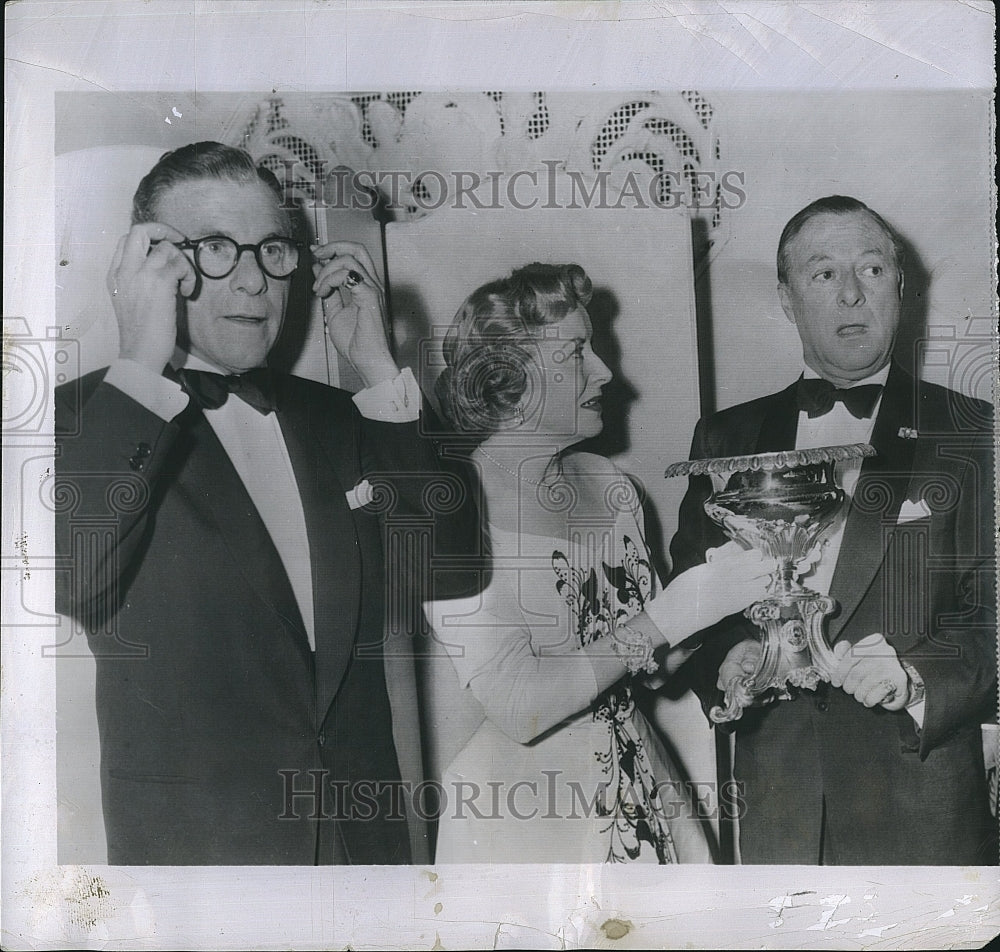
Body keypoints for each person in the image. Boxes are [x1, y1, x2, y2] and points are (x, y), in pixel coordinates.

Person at [54, 141, 478, 865]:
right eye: (217, 249)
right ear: (148, 267)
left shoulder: (344, 415)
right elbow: (69, 578)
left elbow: (448, 568)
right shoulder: (89, 417)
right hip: (204, 865)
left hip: (363, 847)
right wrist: (140, 363)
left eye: (273, 250)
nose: (255, 282)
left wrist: (376, 371)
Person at [669, 195, 996, 864]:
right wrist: (726, 658)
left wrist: (914, 676)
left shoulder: (971, 431)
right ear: (786, 298)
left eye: (872, 270)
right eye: (823, 274)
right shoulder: (724, 437)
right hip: (776, 819)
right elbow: (689, 595)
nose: (851, 294)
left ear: (902, 287)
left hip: (924, 820)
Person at [424, 263, 776, 863]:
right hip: (524, 817)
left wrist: (709, 628)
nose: (605, 371)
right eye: (576, 352)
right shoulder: (450, 508)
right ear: (506, 374)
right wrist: (672, 615)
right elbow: (519, 705)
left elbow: (647, 664)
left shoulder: (614, 486)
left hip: (639, 785)